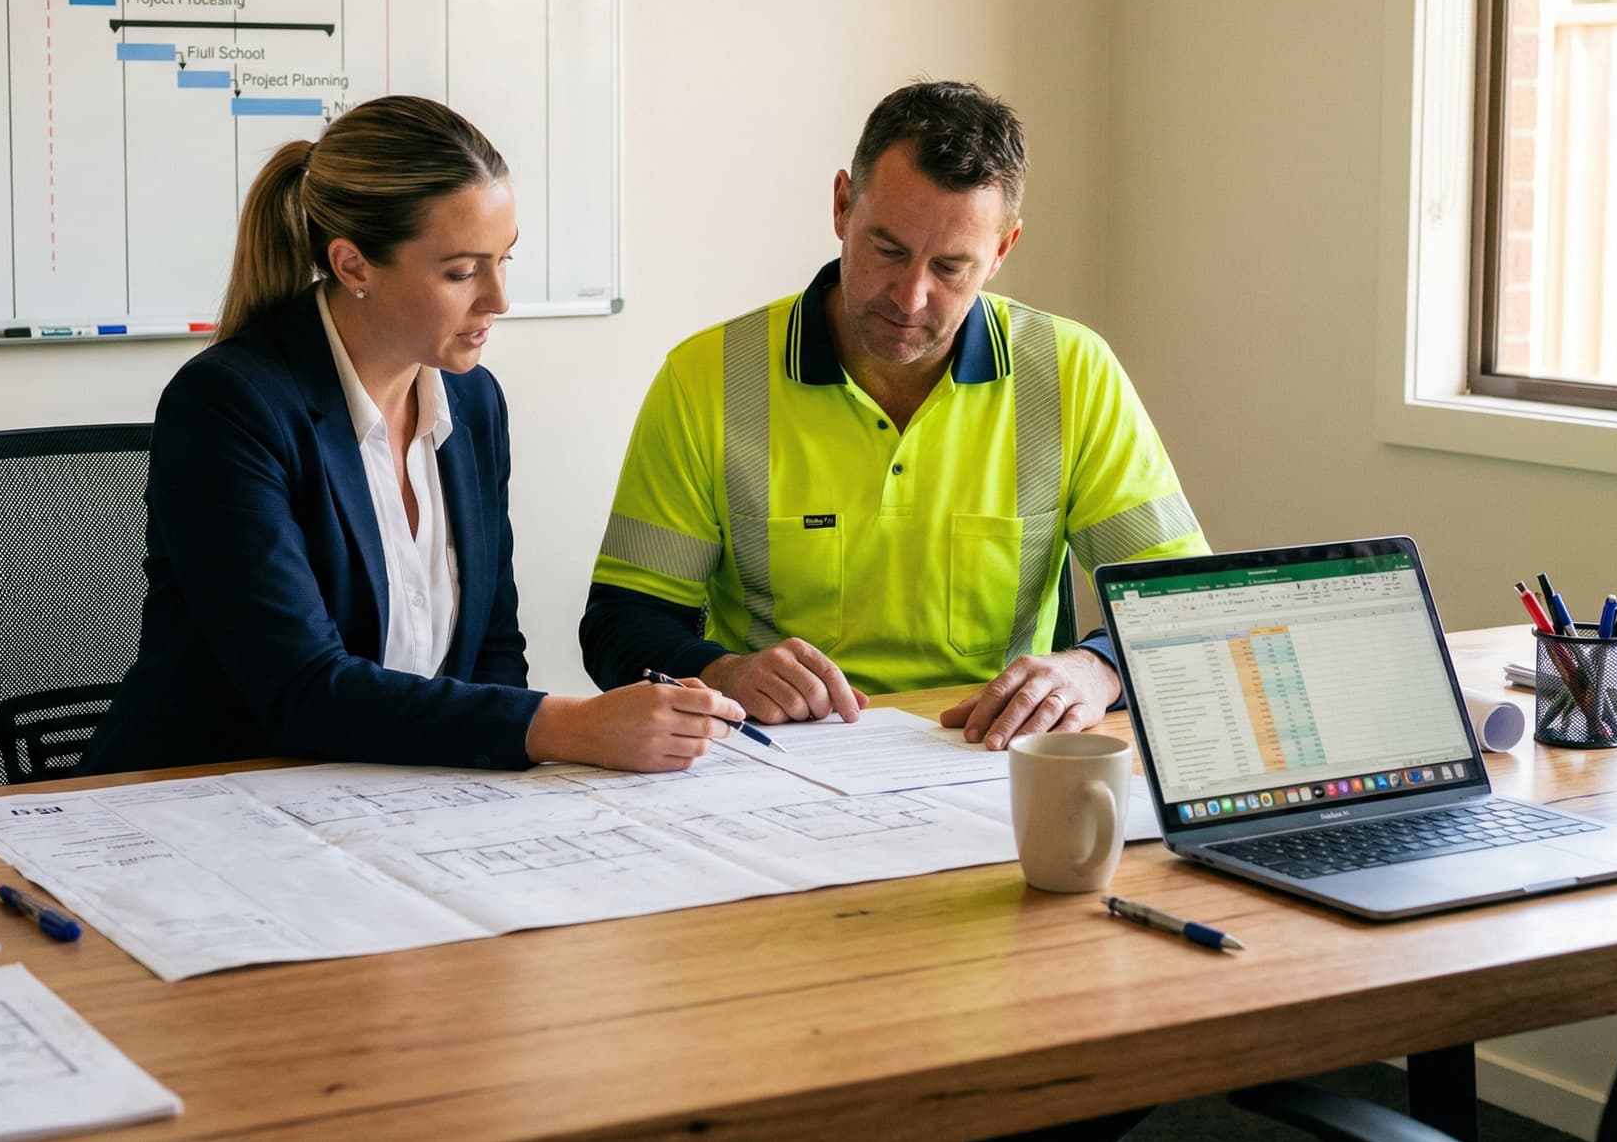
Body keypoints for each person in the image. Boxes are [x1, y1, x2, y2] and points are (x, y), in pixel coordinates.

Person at [84, 95, 743, 776]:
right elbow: (302, 689)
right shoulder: (230, 405)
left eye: (504, 259)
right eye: (461, 272)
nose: (498, 299)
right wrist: (569, 727)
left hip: (394, 799)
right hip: (205, 795)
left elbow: (492, 650)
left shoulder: (473, 402)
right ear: (353, 266)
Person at [579, 80, 1209, 748]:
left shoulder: (1071, 373)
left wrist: (1095, 670)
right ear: (843, 206)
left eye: (950, 267)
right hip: (775, 765)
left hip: (994, 764)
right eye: (888, 250)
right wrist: (724, 672)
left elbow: (1181, 602)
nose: (910, 297)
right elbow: (620, 625)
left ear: (1001, 251)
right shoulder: (707, 378)